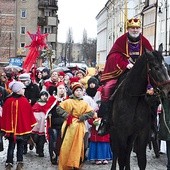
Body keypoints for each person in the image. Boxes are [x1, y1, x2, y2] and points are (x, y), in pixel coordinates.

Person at [98, 18, 153, 135]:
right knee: (107, 88)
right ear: (128, 29)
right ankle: (105, 119)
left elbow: (151, 57)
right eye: (132, 28)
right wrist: (125, 64)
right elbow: (113, 55)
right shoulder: (121, 40)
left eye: (137, 28)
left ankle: (152, 125)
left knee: (155, 91)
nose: (135, 30)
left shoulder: (145, 41)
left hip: (142, 74)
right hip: (123, 72)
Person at [56, 82, 95, 170]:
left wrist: (83, 117)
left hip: (79, 126)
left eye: (80, 90)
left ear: (82, 92)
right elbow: (59, 108)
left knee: (78, 146)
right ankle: (65, 165)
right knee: (67, 145)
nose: (78, 92)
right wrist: (66, 115)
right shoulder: (68, 101)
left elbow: (91, 112)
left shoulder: (84, 103)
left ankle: (75, 163)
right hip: (69, 126)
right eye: (77, 90)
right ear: (73, 92)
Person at [0, 81, 37, 170]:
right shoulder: (8, 101)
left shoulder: (24, 100)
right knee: (11, 146)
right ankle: (9, 162)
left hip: (22, 129)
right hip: (11, 131)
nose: (24, 90)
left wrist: (28, 125)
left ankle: (20, 162)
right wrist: (5, 128)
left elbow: (28, 114)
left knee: (20, 146)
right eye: (22, 88)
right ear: (17, 90)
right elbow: (5, 115)